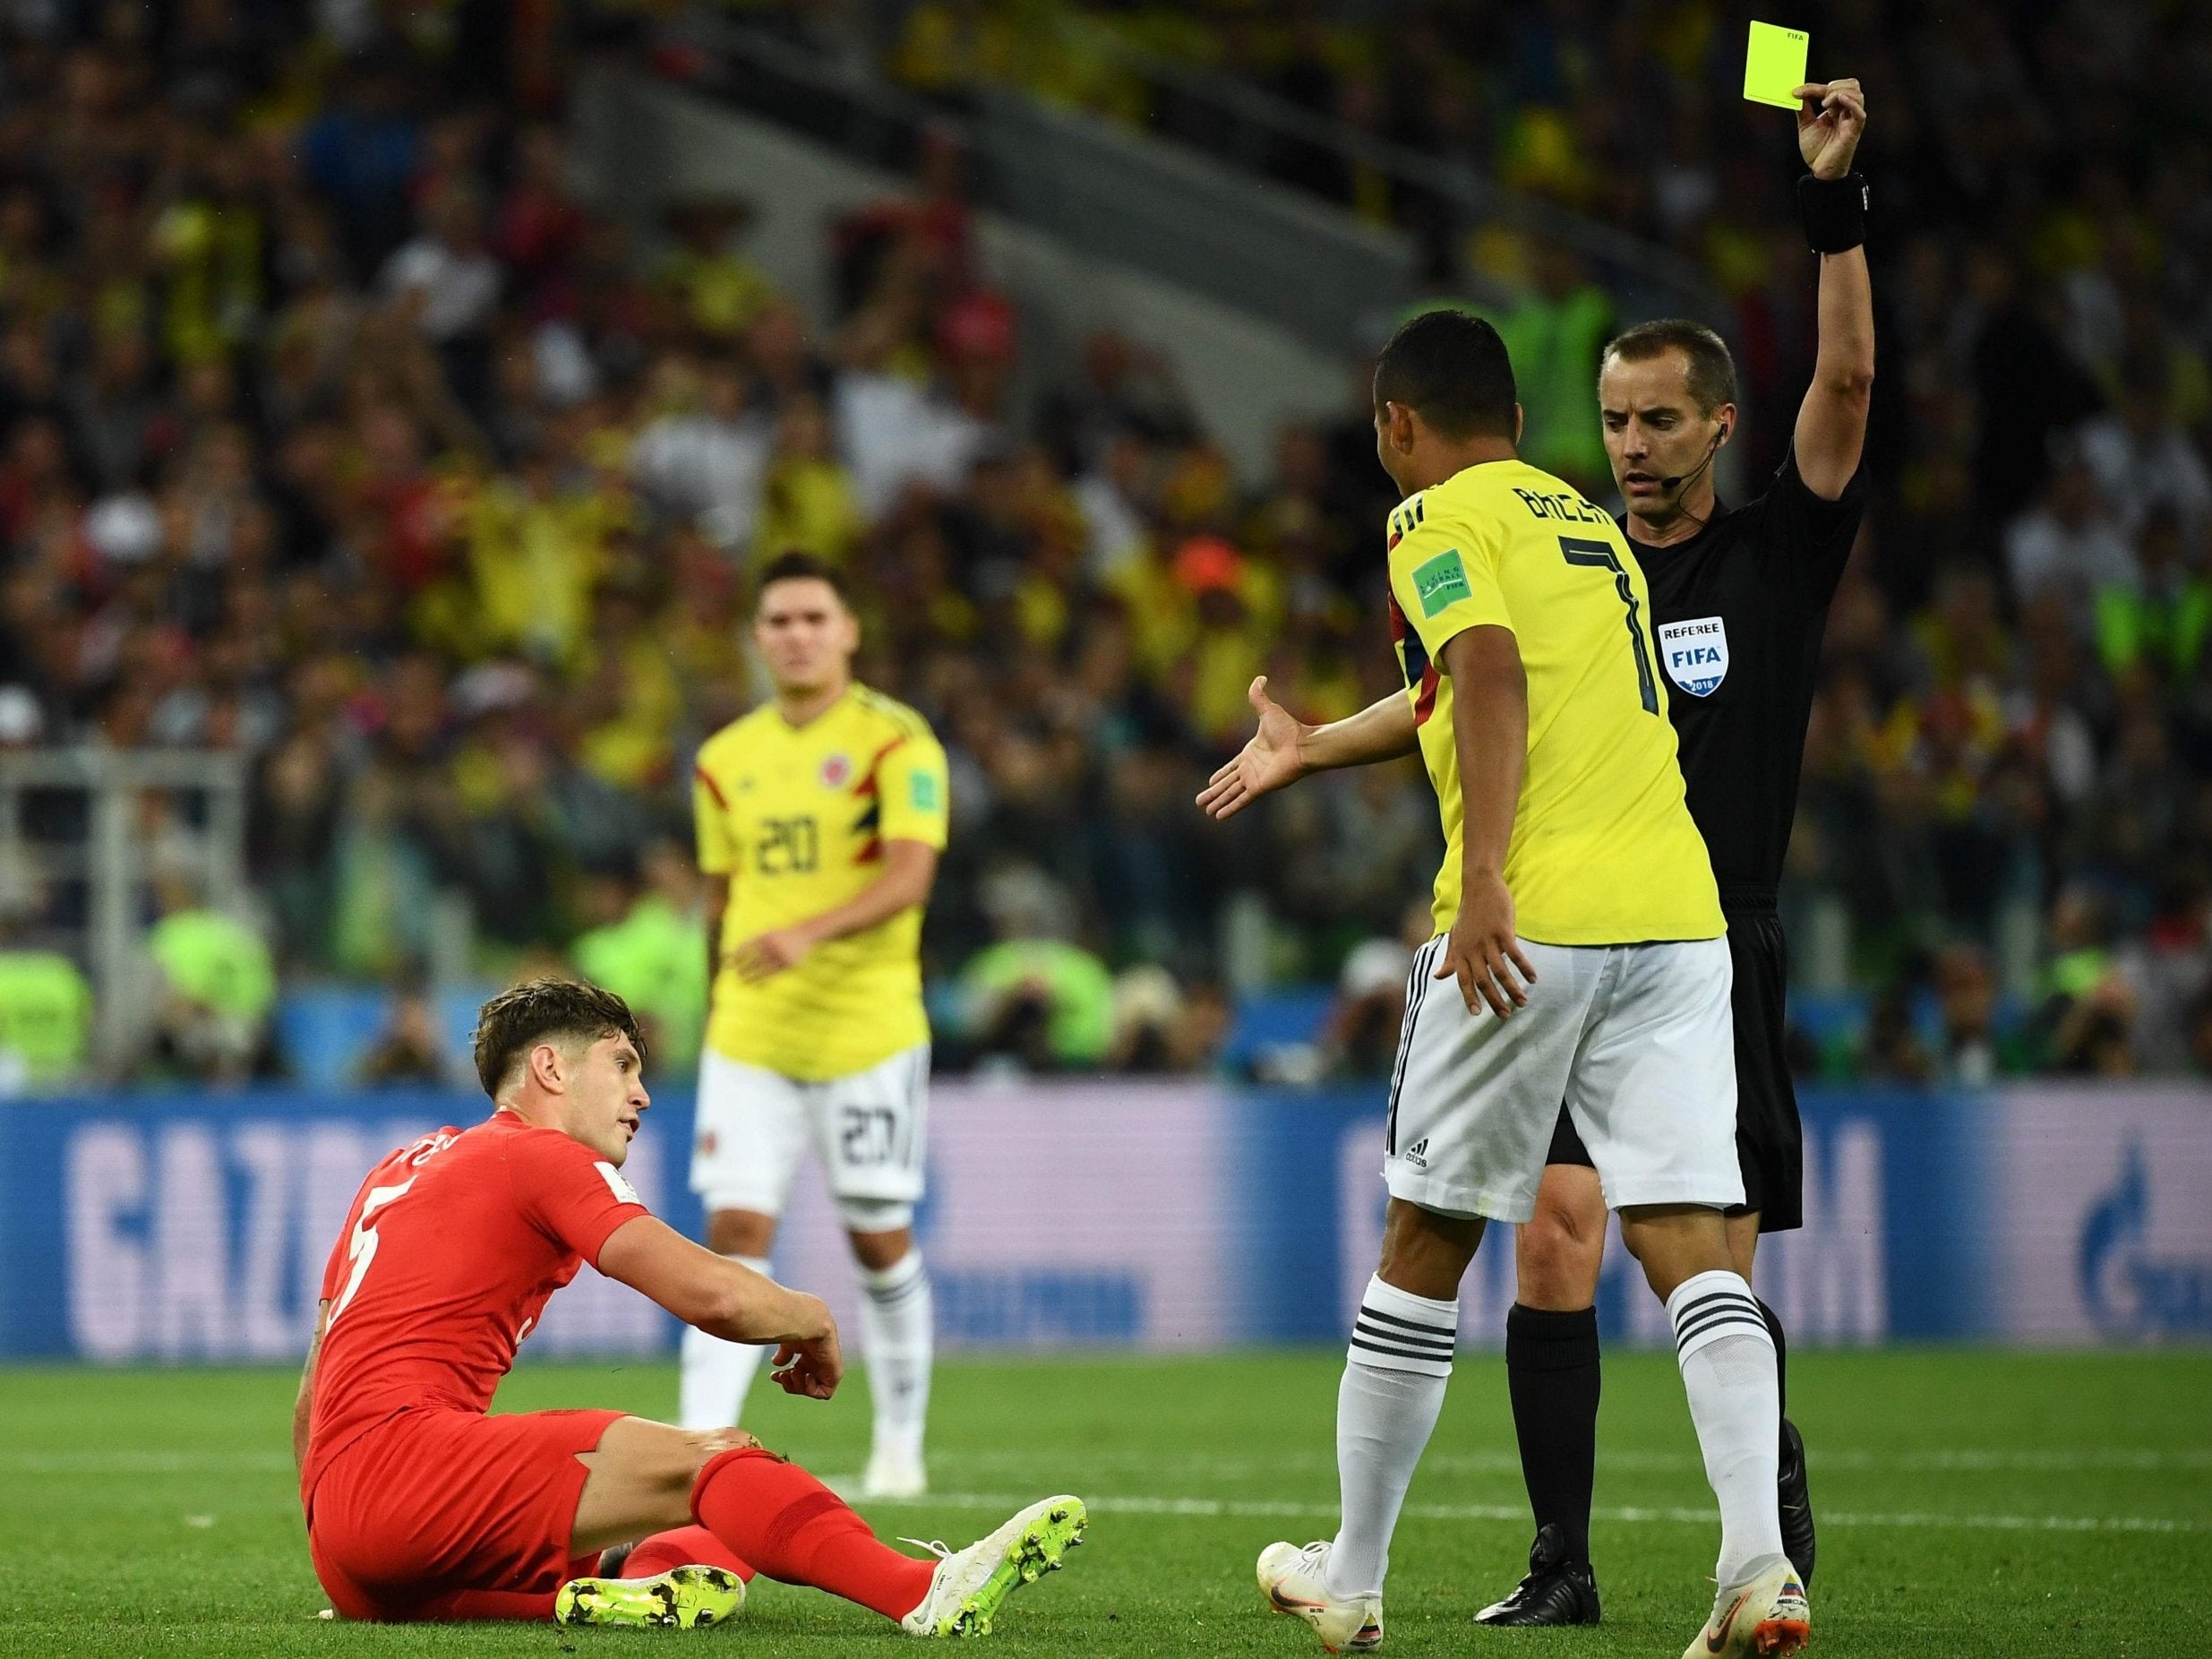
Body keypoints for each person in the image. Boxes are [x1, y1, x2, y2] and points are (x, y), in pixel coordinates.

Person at [1204, 309, 1806, 1657]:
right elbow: (1468, 687)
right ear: (1523, 425)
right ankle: (1757, 1566)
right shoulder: (1583, 526)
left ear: (1392, 427)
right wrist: (1311, 745)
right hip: (1677, 923)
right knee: (1689, 1243)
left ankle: (1350, 1579)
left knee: (1424, 1242)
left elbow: (1480, 667)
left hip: (1525, 925)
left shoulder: (1427, 522)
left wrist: (1481, 879)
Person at [1462, 77, 1874, 1626]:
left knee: (1709, 1264)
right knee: (1555, 1239)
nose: (1630, 445)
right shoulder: (1568, 571)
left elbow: (1848, 381)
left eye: (1658, 420)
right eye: (1614, 421)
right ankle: (1561, 1565)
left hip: (1721, 941)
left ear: (1718, 424)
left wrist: (1834, 205)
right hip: (1581, 932)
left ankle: (1763, 1538)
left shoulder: (1773, 556)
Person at [297, 976, 1085, 1629]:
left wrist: (344, 1542)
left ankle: (633, 1585)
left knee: (708, 1512)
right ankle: (921, 1591)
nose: (641, 1094)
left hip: (348, 1542)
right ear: (549, 1069)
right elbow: (712, 1296)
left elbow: (314, 1390)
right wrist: (812, 1317)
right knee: (722, 1462)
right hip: (405, 1473)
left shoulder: (400, 1168)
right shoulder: (539, 1154)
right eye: (623, 1064)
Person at [681, 551, 952, 1500]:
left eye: (812, 618)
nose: (795, 634)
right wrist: (712, 998)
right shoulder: (723, 761)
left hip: (866, 1031)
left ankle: (900, 1446)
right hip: (751, 1032)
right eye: (778, 621)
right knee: (731, 1232)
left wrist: (807, 930)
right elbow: (719, 901)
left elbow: (910, 875)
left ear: (847, 631)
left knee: (878, 1234)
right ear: (758, 638)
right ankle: (696, 1446)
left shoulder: (896, 742)